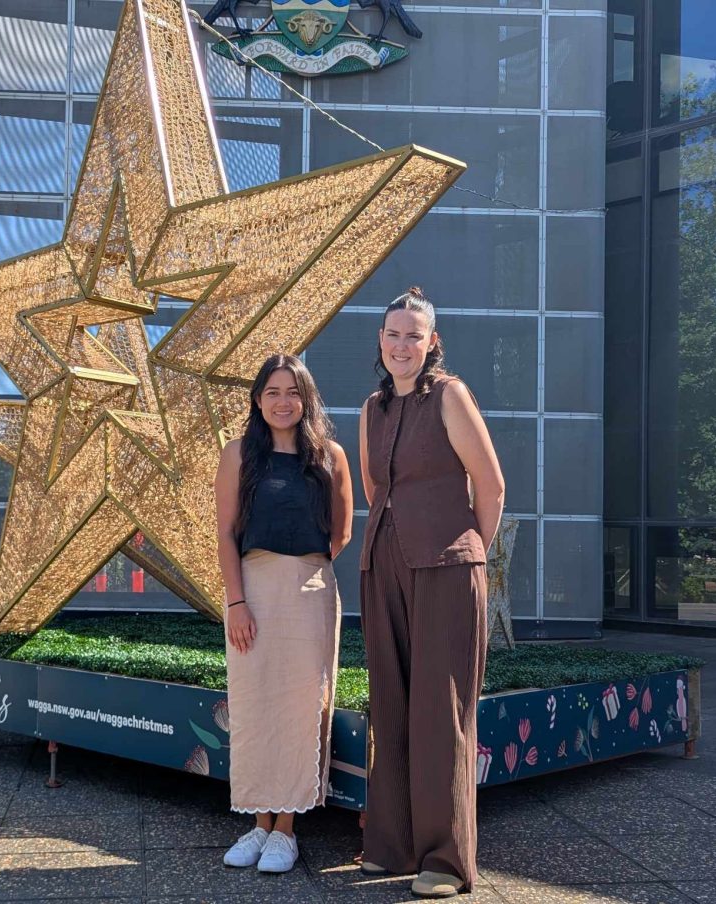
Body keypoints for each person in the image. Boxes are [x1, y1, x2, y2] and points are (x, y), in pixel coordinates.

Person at [358, 287, 505, 899]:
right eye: (393, 334)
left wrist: (469, 553)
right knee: (389, 700)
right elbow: (375, 488)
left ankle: (444, 860)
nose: (402, 345)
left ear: (432, 342)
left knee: (441, 711)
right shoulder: (372, 407)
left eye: (413, 335)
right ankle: (391, 845)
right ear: (381, 340)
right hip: (384, 562)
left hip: (446, 564)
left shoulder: (449, 394)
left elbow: (491, 485)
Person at [213, 353, 354, 874]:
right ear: (257, 399)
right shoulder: (238, 456)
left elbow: (341, 531)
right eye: (272, 391)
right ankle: (258, 822)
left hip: (311, 588)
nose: (282, 401)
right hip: (252, 589)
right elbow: (226, 533)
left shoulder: (331, 457)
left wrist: (305, 568)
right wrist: (236, 600)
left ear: (307, 398)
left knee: (300, 707)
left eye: (292, 392)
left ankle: (286, 831)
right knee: (254, 705)